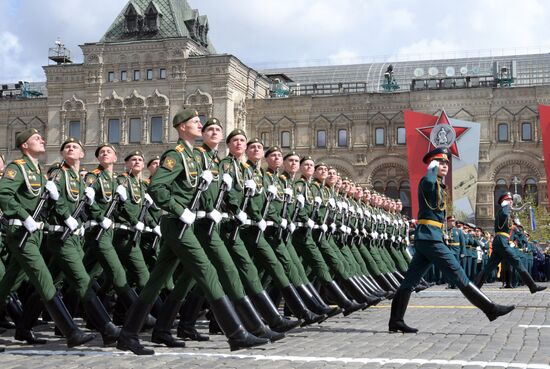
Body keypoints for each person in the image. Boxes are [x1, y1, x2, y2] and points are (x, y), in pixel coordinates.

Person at [116, 108, 268, 355]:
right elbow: (157, 187)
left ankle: (129, 335)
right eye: (196, 122)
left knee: (155, 282)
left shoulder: (194, 157)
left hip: (187, 223)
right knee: (207, 271)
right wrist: (179, 210)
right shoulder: (176, 156)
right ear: (182, 127)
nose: (200, 125)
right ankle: (236, 334)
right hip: (178, 223)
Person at [388, 147, 515, 333]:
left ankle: (396, 320)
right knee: (458, 274)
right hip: (431, 239)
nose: (445, 165)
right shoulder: (428, 181)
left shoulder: (439, 184)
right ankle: (490, 308)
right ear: (432, 164)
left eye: (446, 162)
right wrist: (431, 169)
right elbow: (430, 185)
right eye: (440, 162)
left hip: (429, 237)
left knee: (410, 281)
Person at [0, 128, 95, 347]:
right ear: (24, 145)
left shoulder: (38, 170)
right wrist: (24, 216)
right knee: (44, 281)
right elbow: (3, 194)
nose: (42, 140)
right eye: (36, 138)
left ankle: (23, 329)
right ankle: (71, 331)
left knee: (9, 284)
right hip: (21, 231)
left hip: (35, 234)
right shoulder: (18, 167)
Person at [474, 192, 546, 294]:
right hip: (502, 241)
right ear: (505, 202)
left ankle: (475, 288)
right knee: (517, 261)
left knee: (489, 267)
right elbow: (504, 214)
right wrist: (507, 206)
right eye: (509, 200)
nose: (511, 202)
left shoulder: (505, 213)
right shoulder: (503, 211)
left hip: (500, 241)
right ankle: (532, 286)